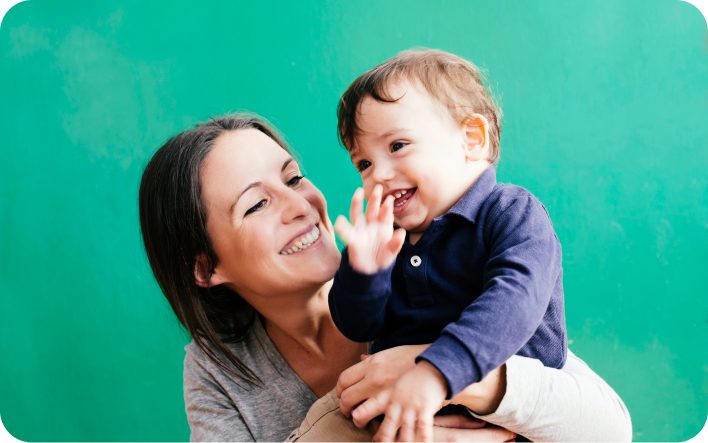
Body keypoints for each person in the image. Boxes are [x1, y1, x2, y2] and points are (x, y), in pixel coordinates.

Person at [138, 114, 632, 443]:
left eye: (292, 178)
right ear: (206, 268)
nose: (300, 205)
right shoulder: (217, 368)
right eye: (257, 204)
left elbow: (611, 429)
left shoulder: (418, 263)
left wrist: (447, 377)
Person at [329, 49, 568, 443]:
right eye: (364, 164)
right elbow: (357, 326)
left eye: (397, 145)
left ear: (471, 139)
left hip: (507, 416)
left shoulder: (511, 212)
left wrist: (434, 371)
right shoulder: (385, 235)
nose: (378, 176)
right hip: (403, 418)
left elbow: (514, 301)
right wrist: (363, 274)